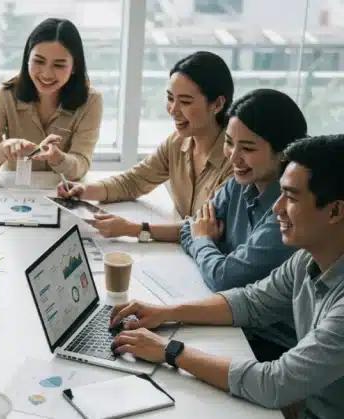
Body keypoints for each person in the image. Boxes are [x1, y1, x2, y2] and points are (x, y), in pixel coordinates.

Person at [109, 135, 344, 419]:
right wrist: (166, 312)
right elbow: (251, 302)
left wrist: (169, 350)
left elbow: (273, 384)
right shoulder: (307, 257)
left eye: (291, 197)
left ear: (335, 211)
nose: (276, 208)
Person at [180, 89, 307, 361]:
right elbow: (190, 226)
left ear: (283, 153)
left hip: (271, 344)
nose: (233, 157)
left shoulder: (288, 213)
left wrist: (204, 240)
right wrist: (204, 239)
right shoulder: (241, 182)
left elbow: (225, 278)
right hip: (238, 322)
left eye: (247, 148)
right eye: (228, 143)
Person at [58, 51, 234, 242]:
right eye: (170, 98)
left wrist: (134, 229)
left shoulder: (235, 161)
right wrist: (84, 191)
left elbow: (203, 228)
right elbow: (134, 181)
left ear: (217, 104)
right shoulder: (177, 143)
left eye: (185, 102)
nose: (173, 110)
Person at [0, 18, 103, 181]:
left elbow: (81, 165)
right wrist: (1, 150)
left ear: (74, 67)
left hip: (61, 193)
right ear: (27, 58)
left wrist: (59, 158)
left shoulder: (91, 101)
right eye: (39, 61)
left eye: (59, 65)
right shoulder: (4, 94)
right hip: (14, 192)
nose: (47, 74)